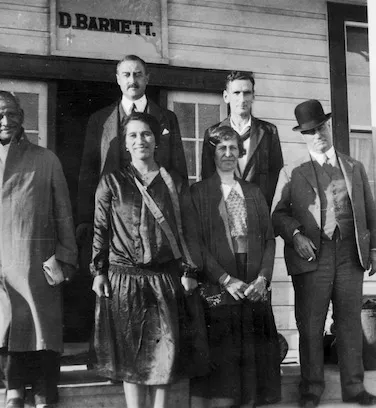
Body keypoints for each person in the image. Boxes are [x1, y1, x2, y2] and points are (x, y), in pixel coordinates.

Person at [0, 91, 78, 408]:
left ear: (22, 116)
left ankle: (43, 391)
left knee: (42, 329)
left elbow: (63, 213)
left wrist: (66, 258)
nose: (6, 121)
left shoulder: (46, 159)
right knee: (6, 328)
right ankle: (12, 389)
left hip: (39, 263)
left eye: (12, 114)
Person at [271, 100, 376, 407]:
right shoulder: (292, 172)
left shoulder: (353, 167)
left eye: (320, 127)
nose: (317, 135)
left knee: (349, 321)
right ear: (302, 136)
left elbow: (371, 212)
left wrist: (375, 249)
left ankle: (354, 387)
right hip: (311, 258)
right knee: (310, 324)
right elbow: (277, 215)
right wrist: (295, 235)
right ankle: (310, 389)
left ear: (329, 127)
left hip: (350, 254)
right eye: (310, 131)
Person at [90, 112, 203, 408]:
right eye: (133, 135)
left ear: (156, 140)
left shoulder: (174, 182)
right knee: (131, 356)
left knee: (164, 354)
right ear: (125, 144)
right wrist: (99, 271)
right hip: (123, 279)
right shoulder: (112, 182)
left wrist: (190, 270)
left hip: (163, 279)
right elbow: (101, 229)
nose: (140, 140)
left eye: (146, 134)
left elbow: (189, 231)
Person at [189, 126, 282, 407]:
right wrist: (225, 279)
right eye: (222, 148)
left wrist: (263, 279)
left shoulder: (253, 192)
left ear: (240, 152)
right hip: (220, 282)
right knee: (224, 364)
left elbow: (268, 239)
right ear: (212, 153)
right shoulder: (199, 193)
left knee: (254, 360)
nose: (228, 154)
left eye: (233, 148)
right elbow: (195, 244)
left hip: (253, 282)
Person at [77, 54, 188, 272]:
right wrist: (84, 218)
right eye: (126, 75)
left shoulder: (167, 117)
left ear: (147, 78)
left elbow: (178, 168)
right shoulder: (99, 120)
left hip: (157, 215)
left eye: (138, 74)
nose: (132, 80)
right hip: (115, 215)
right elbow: (88, 172)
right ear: (118, 79)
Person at [201, 71, 283, 206]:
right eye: (236, 93)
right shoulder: (212, 134)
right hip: (225, 212)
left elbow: (277, 179)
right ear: (226, 96)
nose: (242, 99)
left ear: (253, 96)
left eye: (247, 93)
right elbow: (207, 178)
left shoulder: (268, 132)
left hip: (259, 212)